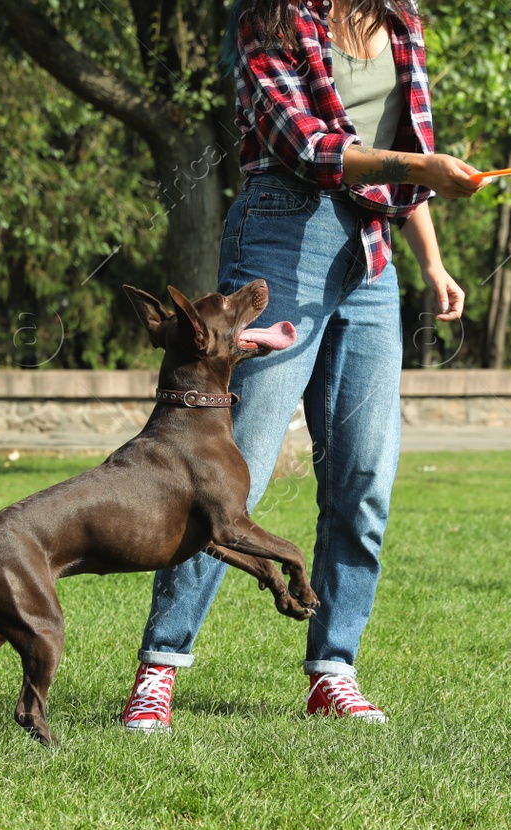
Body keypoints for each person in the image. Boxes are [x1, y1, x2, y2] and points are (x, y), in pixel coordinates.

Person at [120, 0, 486, 732]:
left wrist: (433, 261)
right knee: (228, 469)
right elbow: (309, 146)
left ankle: (333, 671)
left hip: (373, 258)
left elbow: (407, 155)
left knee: (364, 475)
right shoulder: (272, 19)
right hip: (284, 235)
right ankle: (159, 667)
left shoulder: (403, 22)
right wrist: (421, 168)